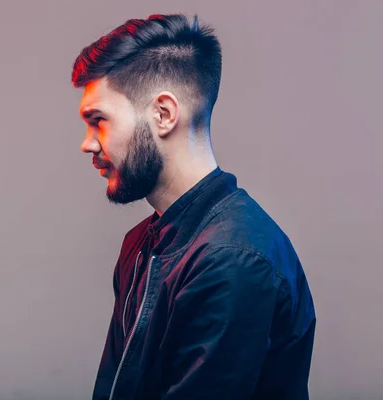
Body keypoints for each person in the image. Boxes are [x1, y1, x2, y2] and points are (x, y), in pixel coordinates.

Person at [71, 13, 316, 400]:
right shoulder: (140, 245)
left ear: (163, 114)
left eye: (98, 120)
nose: (87, 143)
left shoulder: (232, 259)